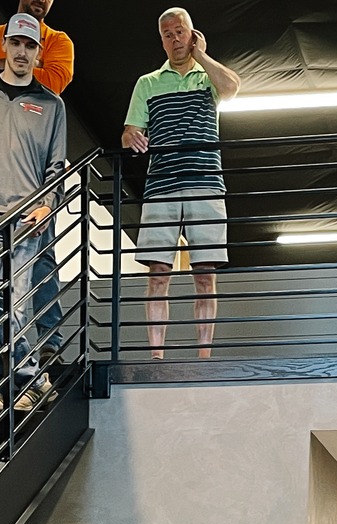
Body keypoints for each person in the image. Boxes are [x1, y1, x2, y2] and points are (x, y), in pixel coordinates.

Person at [0, 12, 70, 416]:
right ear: (4, 45)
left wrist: (47, 204)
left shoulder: (51, 104)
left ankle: (17, 381)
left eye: (31, 45)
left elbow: (57, 167)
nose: (22, 52)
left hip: (27, 218)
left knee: (18, 301)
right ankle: (9, 379)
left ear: (39, 52)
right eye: (17, 43)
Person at [123, 9, 241, 358]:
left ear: (193, 34)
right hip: (161, 185)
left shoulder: (209, 78)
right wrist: (131, 137)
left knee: (205, 273)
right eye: (168, 34)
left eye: (180, 31)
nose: (175, 38)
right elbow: (130, 128)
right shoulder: (147, 83)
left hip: (205, 182)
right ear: (161, 39)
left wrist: (202, 55)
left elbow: (232, 88)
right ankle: (157, 355)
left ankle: (204, 356)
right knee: (158, 272)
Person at [0, 0, 74, 96]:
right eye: (14, 44)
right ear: (3, 42)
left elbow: (51, 85)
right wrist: (32, 64)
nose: (42, 0)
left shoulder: (59, 41)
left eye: (31, 47)